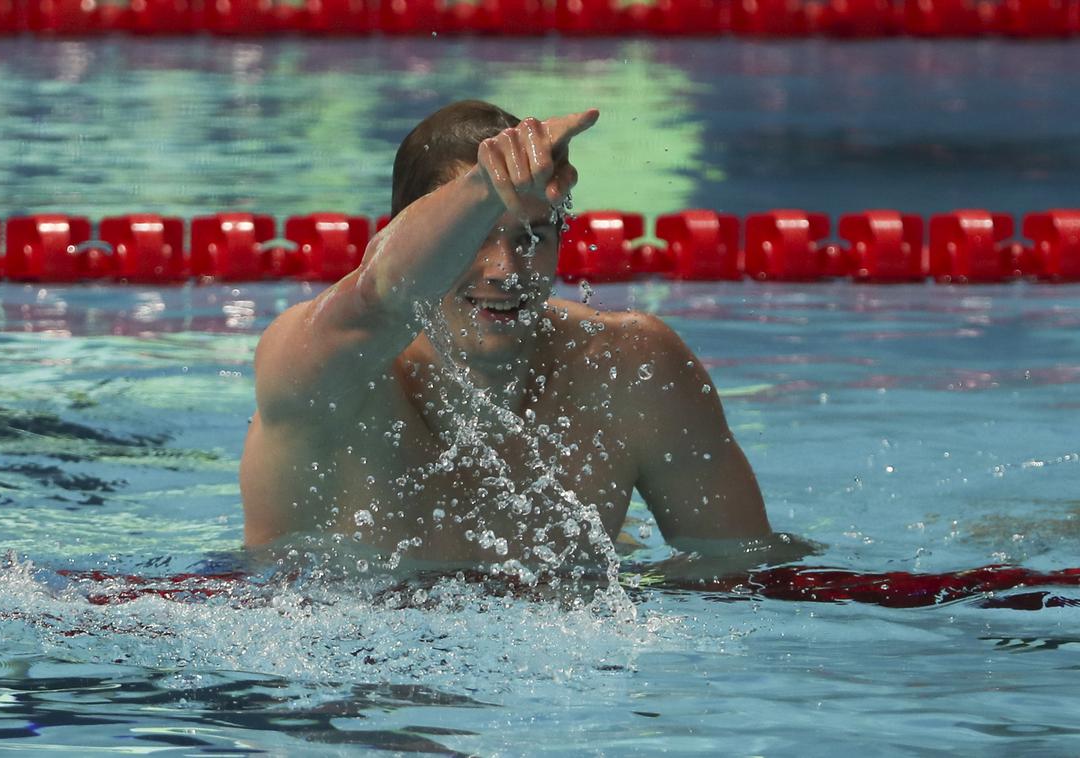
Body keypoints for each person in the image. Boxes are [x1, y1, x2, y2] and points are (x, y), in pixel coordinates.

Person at [240, 100, 805, 578]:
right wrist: (485, 186)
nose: (504, 270)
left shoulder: (632, 368)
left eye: (531, 235)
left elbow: (741, 573)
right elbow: (379, 297)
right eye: (474, 239)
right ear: (405, 239)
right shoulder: (321, 369)